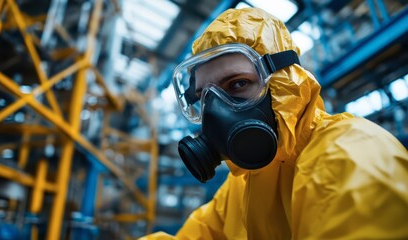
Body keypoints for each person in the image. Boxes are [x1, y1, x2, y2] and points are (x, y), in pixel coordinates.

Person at [141, 7, 408, 239]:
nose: (217, 112)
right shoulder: (244, 185)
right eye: (205, 97)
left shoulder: (348, 158)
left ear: (283, 82)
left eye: (238, 84)